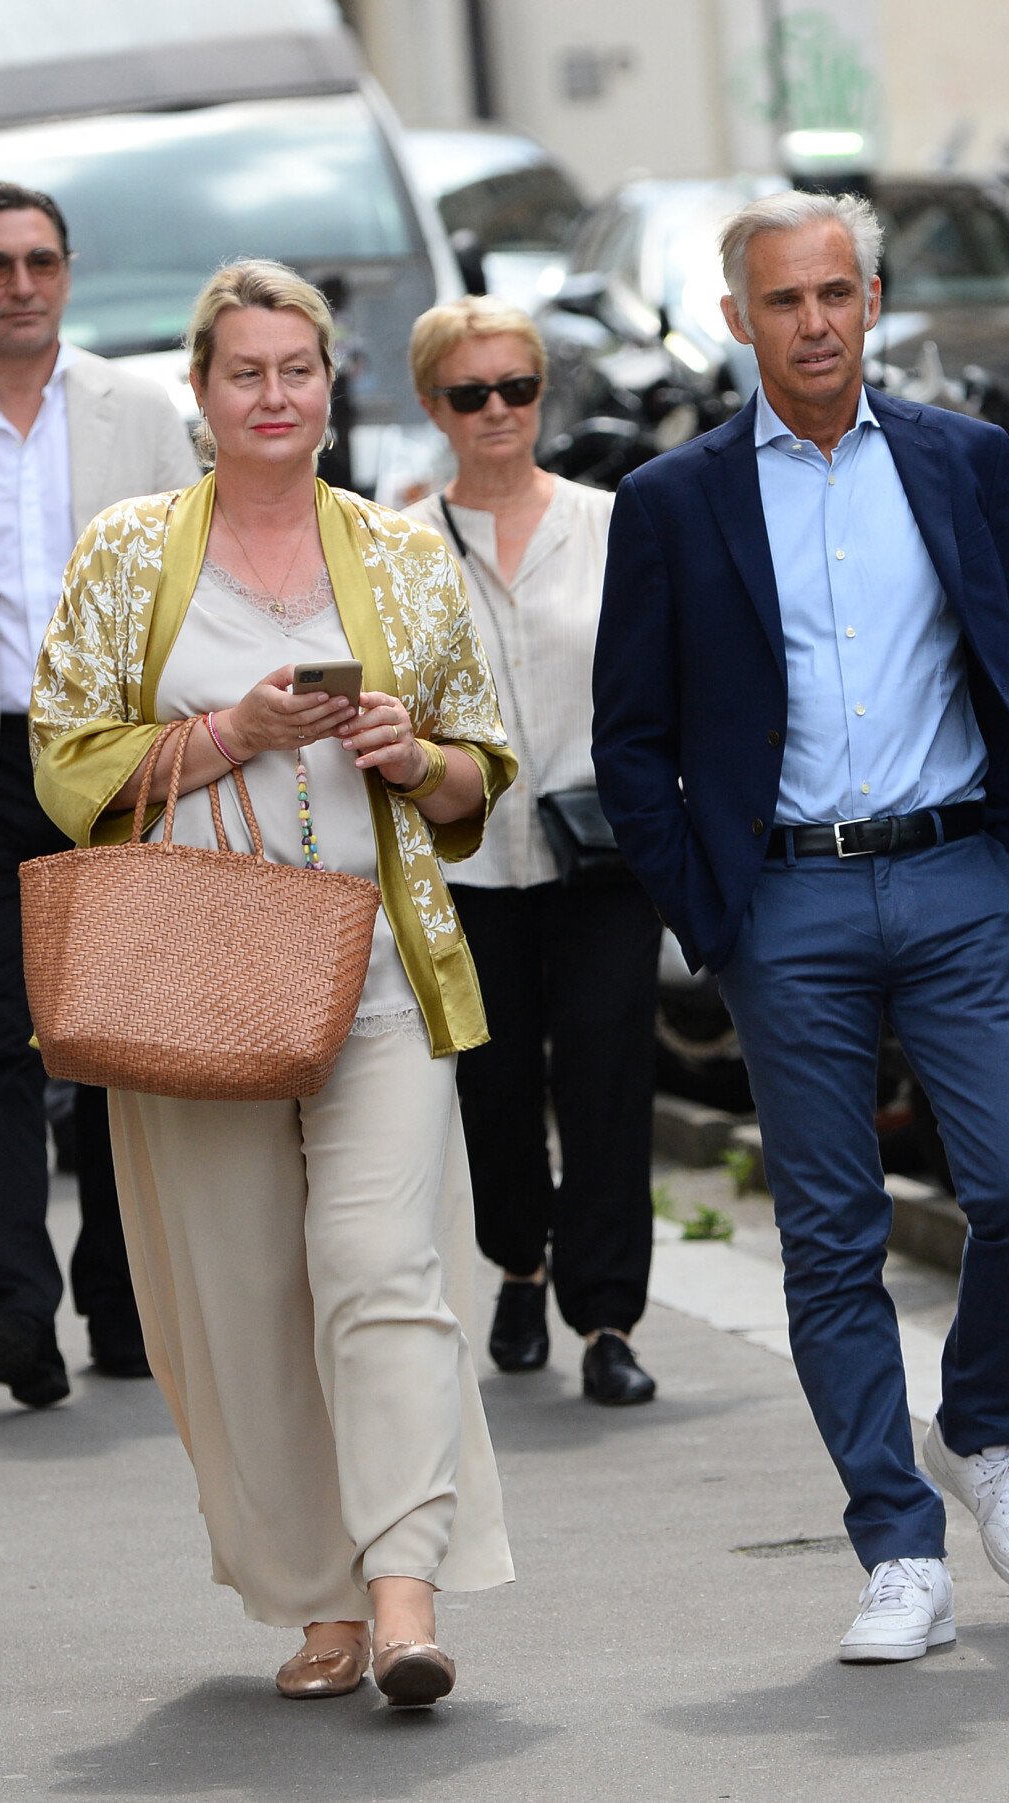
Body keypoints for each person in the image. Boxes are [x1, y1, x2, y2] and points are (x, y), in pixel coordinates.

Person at [592, 190, 1009, 1661]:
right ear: (739, 317)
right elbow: (632, 736)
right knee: (830, 1237)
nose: (811, 322)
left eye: (834, 294)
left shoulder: (963, 460)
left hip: (954, 875)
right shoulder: (673, 500)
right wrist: (711, 910)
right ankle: (898, 1545)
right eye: (781, 300)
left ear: (872, 303)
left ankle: (989, 1433)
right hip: (783, 899)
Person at [29, 259, 515, 1706]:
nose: (275, 395)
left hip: (372, 966)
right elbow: (63, 762)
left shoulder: (405, 553)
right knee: (243, 1299)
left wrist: (411, 758)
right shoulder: (128, 550)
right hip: (196, 979)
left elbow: (480, 762)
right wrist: (229, 730)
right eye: (245, 371)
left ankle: (404, 1586)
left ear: (330, 385)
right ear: (202, 391)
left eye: (297, 369)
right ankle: (316, 1598)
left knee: (384, 1270)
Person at [407, 295, 660, 1407]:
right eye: (472, 393)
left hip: (602, 857)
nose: (498, 410)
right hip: (462, 864)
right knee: (494, 1090)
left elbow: (664, 678)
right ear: (435, 406)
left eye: (517, 387)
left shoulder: (612, 523)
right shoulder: (397, 540)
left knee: (608, 1077)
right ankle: (519, 1262)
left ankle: (607, 1319)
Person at [0, 180, 198, 1409]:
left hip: (116, 758)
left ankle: (120, 1304)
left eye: (38, 262)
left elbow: (190, 571)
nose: (19, 284)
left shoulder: (135, 408)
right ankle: (17, 1308)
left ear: (67, 273)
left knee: (114, 1037)